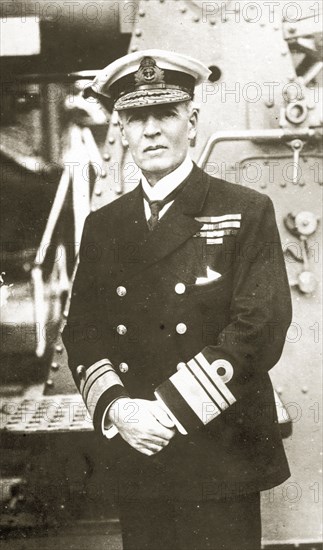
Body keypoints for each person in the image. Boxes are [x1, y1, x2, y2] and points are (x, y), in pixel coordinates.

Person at [62, 49, 292, 550]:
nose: (151, 131)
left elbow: (259, 325)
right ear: (120, 129)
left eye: (164, 114)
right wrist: (120, 410)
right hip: (138, 451)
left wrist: (163, 412)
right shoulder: (105, 226)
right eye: (135, 117)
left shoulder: (245, 210)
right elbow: (81, 330)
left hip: (220, 452)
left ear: (191, 121)